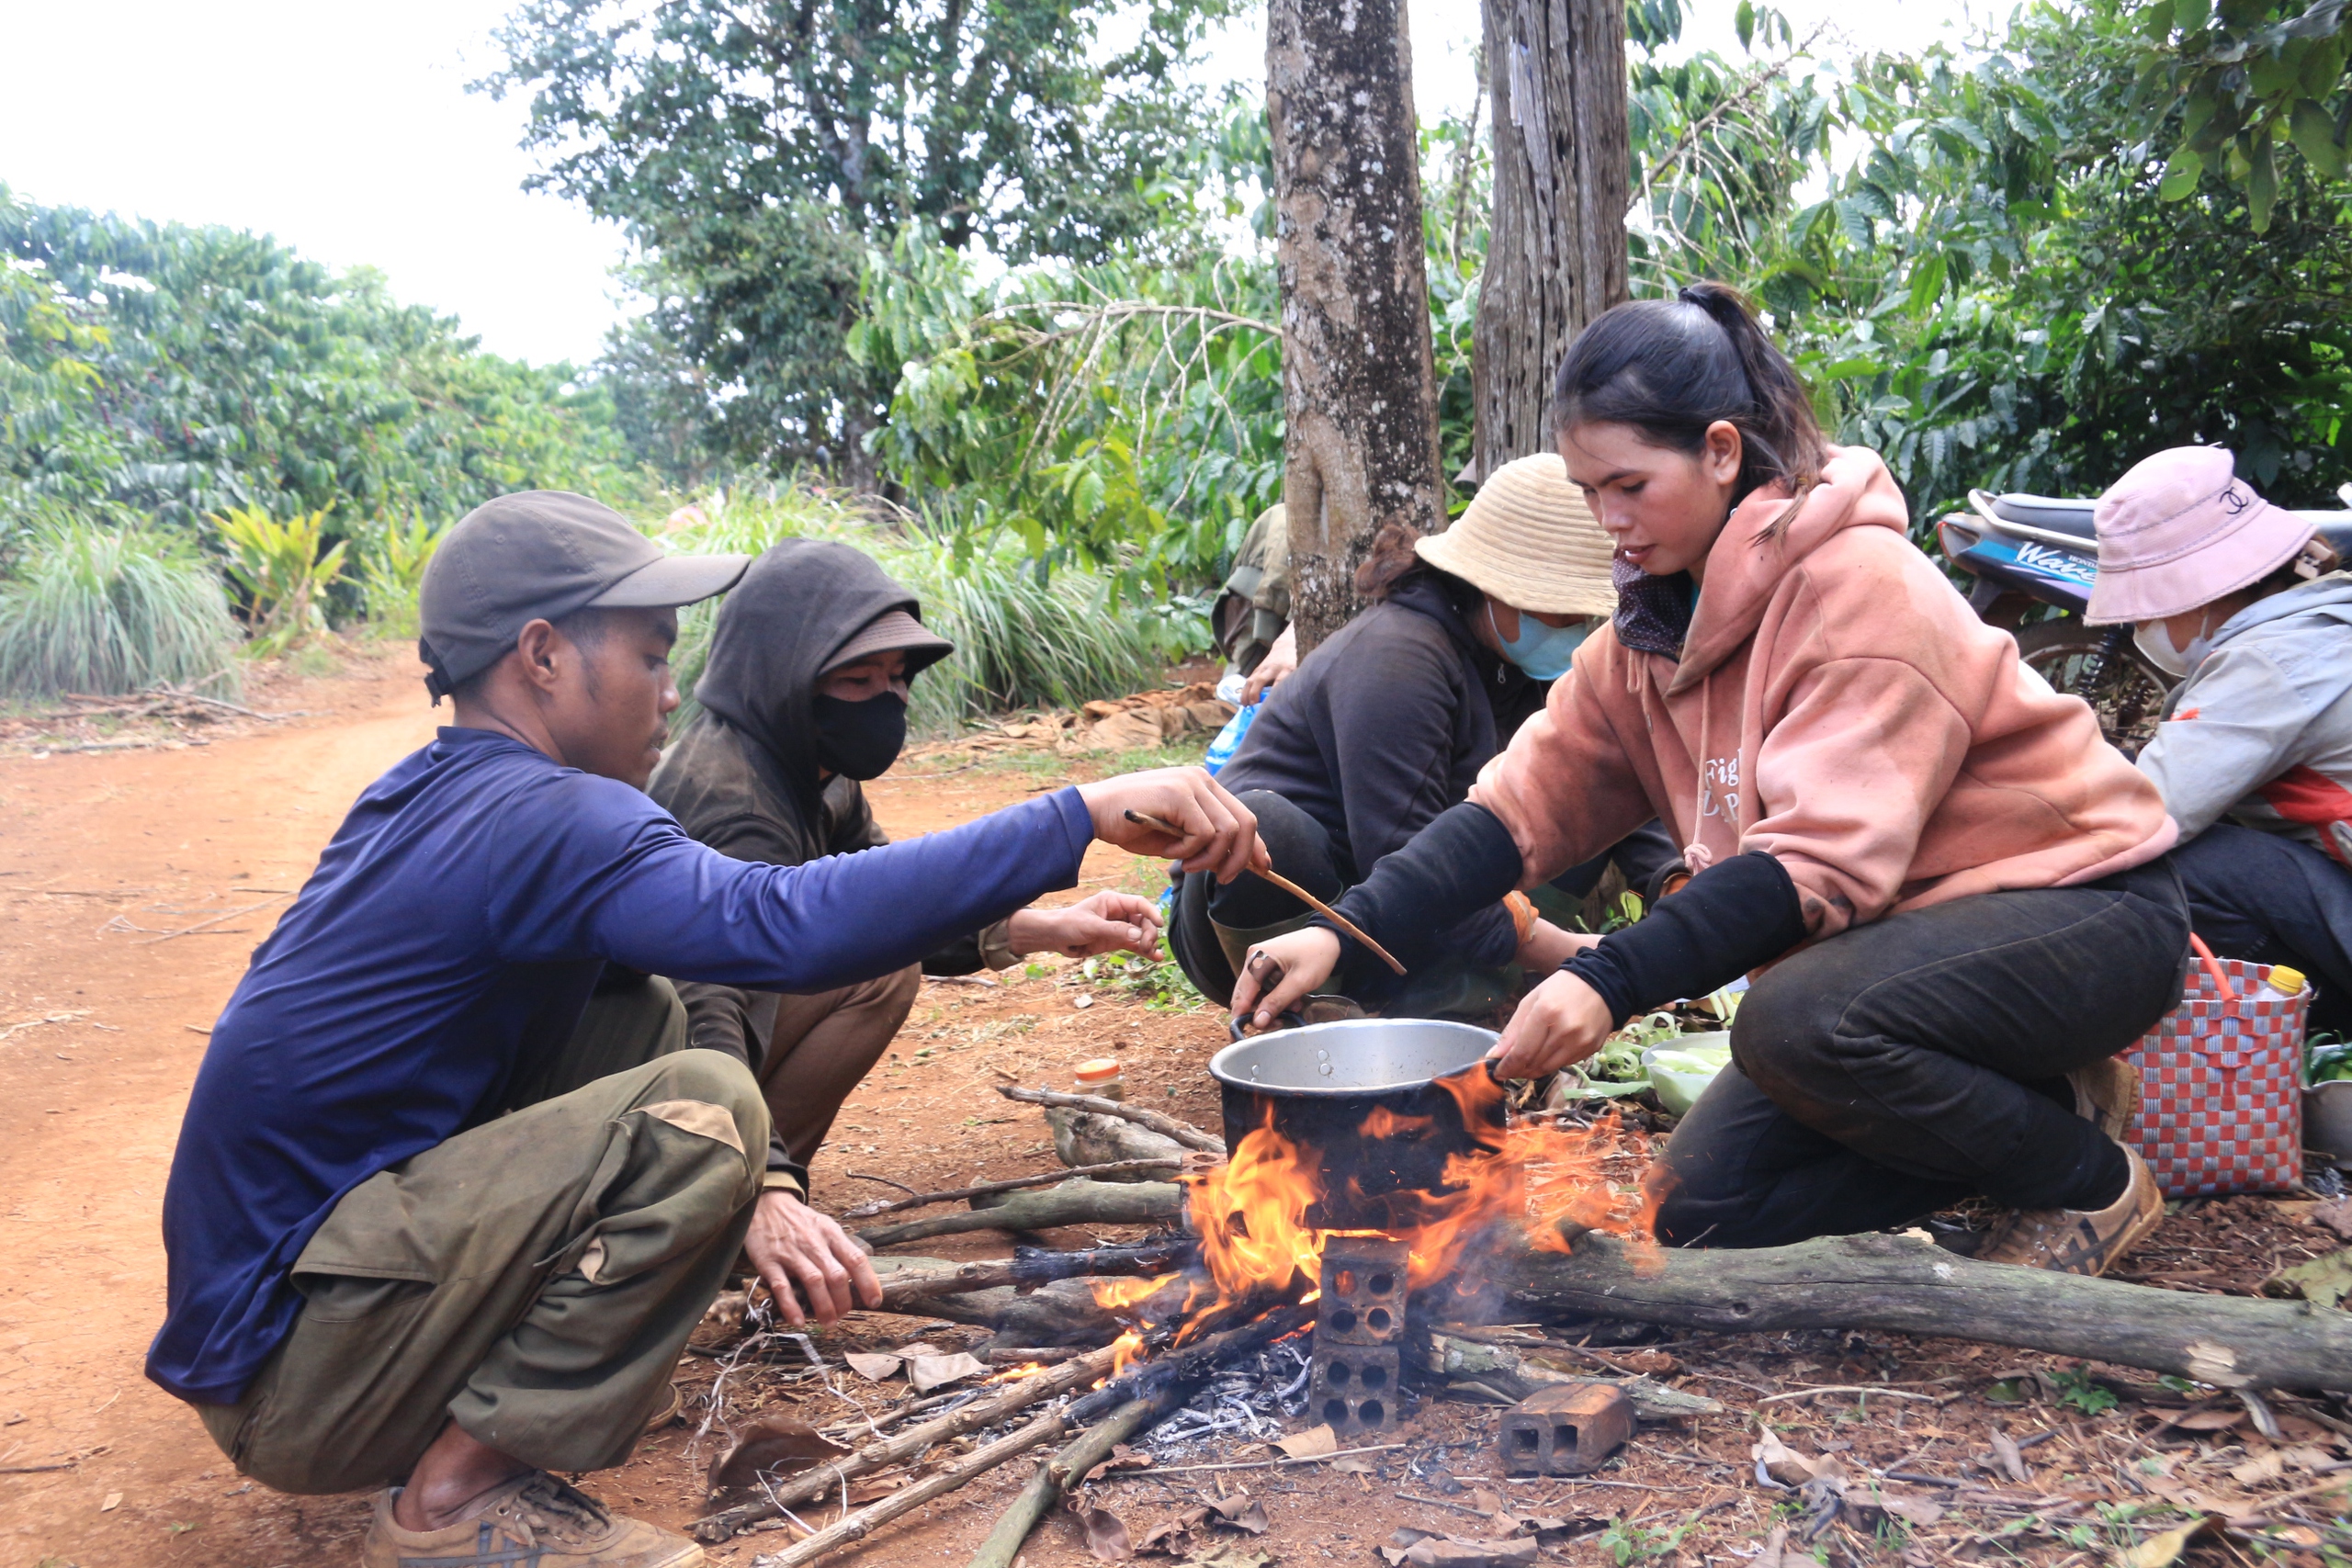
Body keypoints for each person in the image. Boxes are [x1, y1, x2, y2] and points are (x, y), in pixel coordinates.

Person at [152, 491, 1263, 1568]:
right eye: (647, 655)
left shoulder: (441, 794)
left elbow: (789, 913)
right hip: (298, 1376)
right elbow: (776, 922)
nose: (670, 693)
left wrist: (1026, 920)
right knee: (705, 1110)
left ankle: (490, 1390)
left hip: (294, 1326)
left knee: (635, 1010)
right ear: (541, 656)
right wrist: (1074, 811)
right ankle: (453, 1500)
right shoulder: (551, 815)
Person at [1235, 284, 2187, 1277]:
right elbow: (1513, 814)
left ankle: (2089, 1181)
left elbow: (1809, 867)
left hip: (2086, 915)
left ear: (1721, 452)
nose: (1607, 520)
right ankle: (2038, 1105)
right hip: (1910, 952)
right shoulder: (1647, 636)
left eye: (1629, 486)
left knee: (1799, 1024)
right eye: (1587, 490)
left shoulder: (1861, 589)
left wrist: (1605, 982)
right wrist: (1339, 929)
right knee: (1701, 1207)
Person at [641, 538, 1166, 1303]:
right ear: (785, 679)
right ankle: (718, 1216)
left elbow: (900, 902)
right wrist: (760, 1182)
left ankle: (747, 1192)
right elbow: (702, 1012)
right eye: (857, 678)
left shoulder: (813, 769)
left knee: (880, 948)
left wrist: (1046, 927)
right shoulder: (732, 798)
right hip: (656, 1063)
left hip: (717, 1034)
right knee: (876, 969)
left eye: (896, 677)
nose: (886, 698)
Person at [1170, 453, 1679, 1019]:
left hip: (1403, 905)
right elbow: (1402, 849)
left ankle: (1462, 993)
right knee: (1271, 829)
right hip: (1301, 904)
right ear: (1497, 589)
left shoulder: (1526, 666)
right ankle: (1307, 1013)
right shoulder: (1398, 659)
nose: (1582, 631)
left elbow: (1619, 788)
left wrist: (1681, 899)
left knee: (1581, 780)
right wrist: (1572, 952)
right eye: (1565, 614)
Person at [2084, 446, 2352, 1037]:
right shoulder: (2319, 621)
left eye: (2150, 612)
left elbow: (2142, 814)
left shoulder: (2272, 662)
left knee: (2173, 868)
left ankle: (2253, 1039)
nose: (2145, 630)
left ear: (2200, 595)